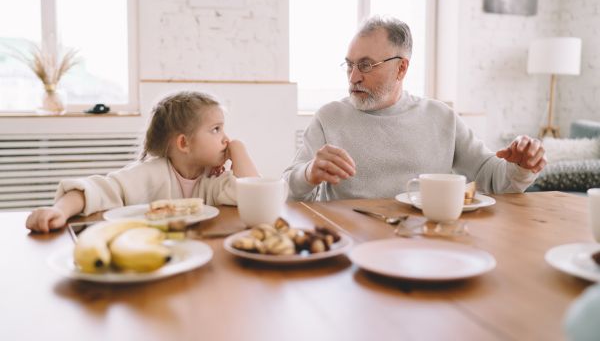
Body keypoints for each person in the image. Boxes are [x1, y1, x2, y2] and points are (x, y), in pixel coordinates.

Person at [283, 16, 546, 201]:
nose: (353, 78)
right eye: (349, 65)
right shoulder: (329, 117)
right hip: (351, 241)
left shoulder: (440, 117)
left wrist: (521, 168)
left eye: (365, 65)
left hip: (426, 240)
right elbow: (287, 189)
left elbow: (492, 178)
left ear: (401, 68)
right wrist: (308, 173)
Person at [26, 91, 259, 233]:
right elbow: (95, 190)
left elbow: (254, 194)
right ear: (184, 143)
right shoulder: (149, 174)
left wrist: (239, 150)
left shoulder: (214, 178)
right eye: (216, 129)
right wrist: (59, 210)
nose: (225, 139)